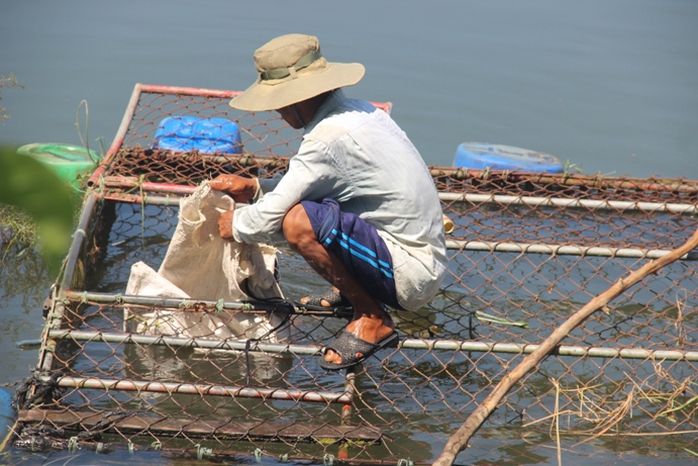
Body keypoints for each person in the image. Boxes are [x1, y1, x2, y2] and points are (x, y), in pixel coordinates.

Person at [211, 33, 448, 371]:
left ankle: (371, 316)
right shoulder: (359, 111)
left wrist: (235, 224)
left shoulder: (326, 140)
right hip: (417, 253)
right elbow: (315, 185)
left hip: (410, 274)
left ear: (296, 98)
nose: (277, 111)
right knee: (306, 211)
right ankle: (355, 290)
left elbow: (269, 221)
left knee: (297, 223)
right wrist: (256, 188)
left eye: (278, 102)